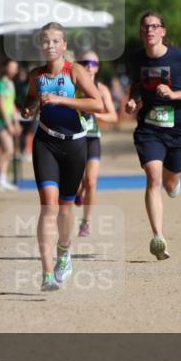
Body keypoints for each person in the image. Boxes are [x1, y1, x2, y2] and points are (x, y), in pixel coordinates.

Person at [21, 23, 103, 292]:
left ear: (64, 46)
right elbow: (32, 99)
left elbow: (97, 104)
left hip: (75, 145)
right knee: (48, 206)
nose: (50, 45)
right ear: (41, 46)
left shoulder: (75, 71)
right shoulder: (36, 75)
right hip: (45, 142)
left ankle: (64, 252)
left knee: (66, 209)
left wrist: (61, 100)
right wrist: (29, 108)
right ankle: (46, 273)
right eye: (45, 41)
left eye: (56, 41)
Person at [125, 11, 181, 260]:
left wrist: (174, 95)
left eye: (154, 26)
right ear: (141, 32)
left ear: (163, 31)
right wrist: (132, 100)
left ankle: (175, 180)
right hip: (149, 129)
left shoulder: (180, 57)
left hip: (178, 128)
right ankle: (158, 236)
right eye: (145, 27)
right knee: (153, 178)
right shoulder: (137, 59)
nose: (149, 30)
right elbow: (137, 85)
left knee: (170, 183)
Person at [74, 50, 119, 237]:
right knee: (77, 183)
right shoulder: (72, 86)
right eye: (84, 62)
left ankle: (86, 222)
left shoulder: (101, 89)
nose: (88, 66)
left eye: (92, 63)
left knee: (91, 181)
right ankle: (78, 191)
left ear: (97, 67)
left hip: (92, 137)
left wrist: (97, 113)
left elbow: (114, 116)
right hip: (74, 137)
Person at [0, 59, 20, 191]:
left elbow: (11, 104)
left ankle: (1, 177)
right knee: (8, 149)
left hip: (7, 121)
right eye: (11, 67)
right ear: (5, 67)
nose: (14, 70)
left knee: (3, 150)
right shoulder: (1, 83)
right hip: (0, 121)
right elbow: (2, 104)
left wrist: (16, 122)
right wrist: (9, 124)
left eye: (16, 67)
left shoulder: (10, 83)